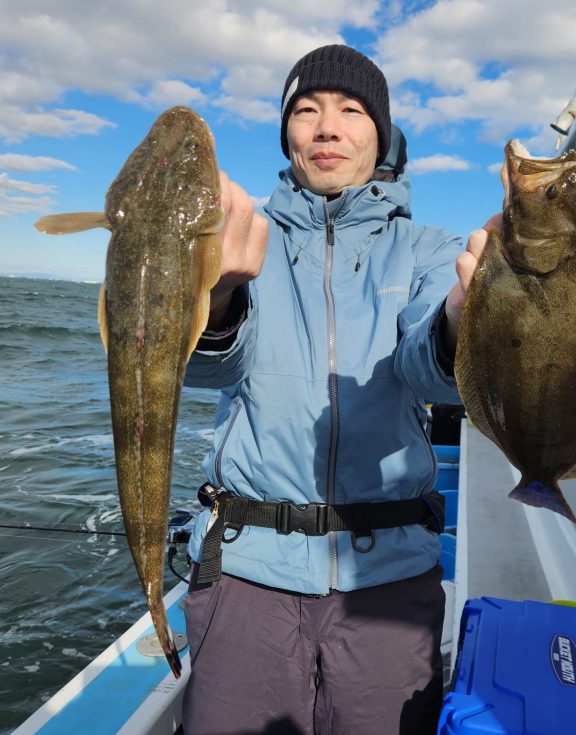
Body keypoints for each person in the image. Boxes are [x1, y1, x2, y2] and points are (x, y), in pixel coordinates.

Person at [181, 44, 491, 735]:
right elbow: (210, 369)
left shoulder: (427, 250)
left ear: (380, 135)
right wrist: (223, 291)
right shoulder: (241, 238)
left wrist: (463, 320)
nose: (328, 127)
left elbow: (427, 368)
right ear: (288, 133)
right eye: (307, 109)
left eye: (351, 110)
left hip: (389, 580)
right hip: (246, 570)